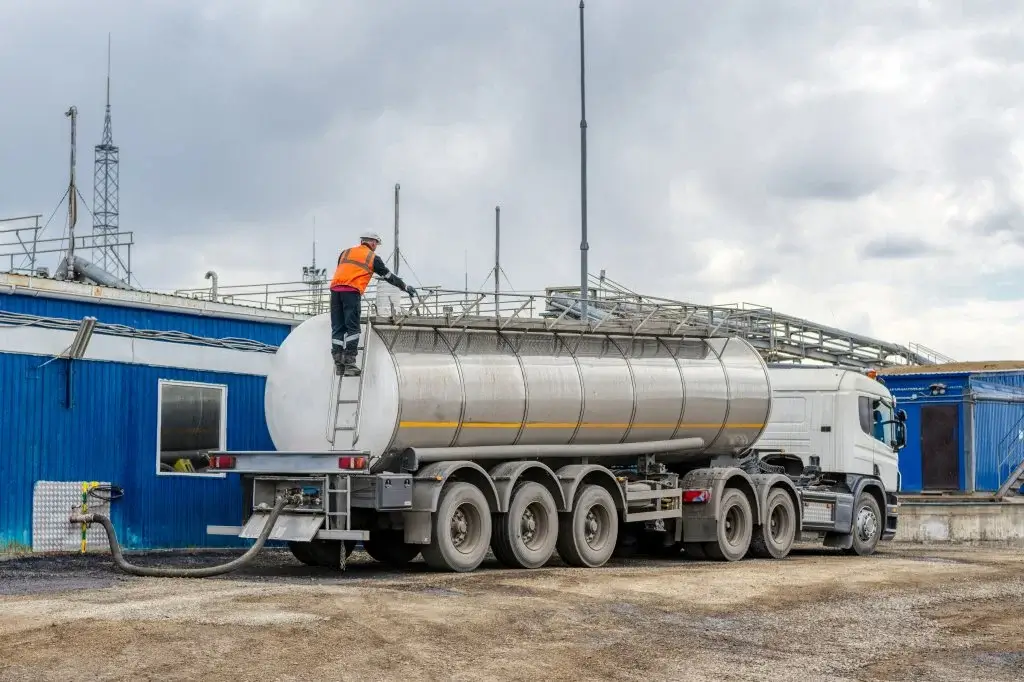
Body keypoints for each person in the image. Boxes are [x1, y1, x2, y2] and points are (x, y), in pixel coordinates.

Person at [329, 231, 416, 376]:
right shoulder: (372, 257)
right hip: (351, 291)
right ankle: (350, 363)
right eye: (377, 244)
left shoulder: (345, 253)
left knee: (338, 328)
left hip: (335, 291)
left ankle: (339, 364)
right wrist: (405, 287)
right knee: (353, 328)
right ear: (373, 243)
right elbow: (388, 276)